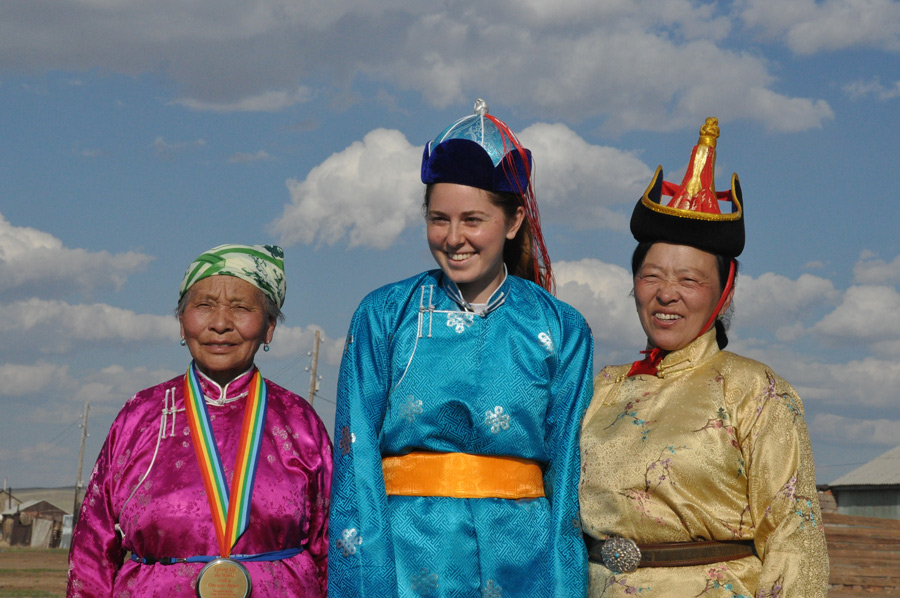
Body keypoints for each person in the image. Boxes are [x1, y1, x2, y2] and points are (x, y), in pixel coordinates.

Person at [329, 99, 594, 597]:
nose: (453, 238)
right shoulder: (384, 315)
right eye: (439, 219)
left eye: (473, 220)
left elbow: (568, 476)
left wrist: (564, 586)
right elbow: (355, 462)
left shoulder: (561, 328)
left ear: (513, 221)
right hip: (409, 558)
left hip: (524, 559)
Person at [579, 119, 829, 597]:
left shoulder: (756, 391)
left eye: (689, 281)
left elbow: (793, 537)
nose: (666, 294)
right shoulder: (603, 388)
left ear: (723, 294)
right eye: (651, 275)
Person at [67, 244, 331, 598]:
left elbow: (334, 548)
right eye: (204, 305)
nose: (220, 324)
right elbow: (91, 554)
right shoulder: (140, 416)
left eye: (241, 307)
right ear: (181, 321)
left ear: (269, 326)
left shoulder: (299, 422)